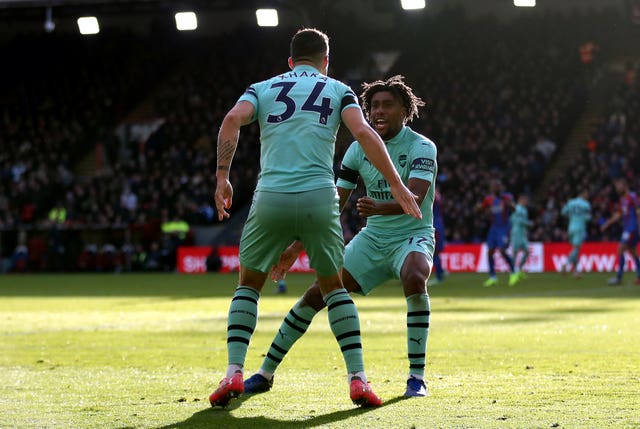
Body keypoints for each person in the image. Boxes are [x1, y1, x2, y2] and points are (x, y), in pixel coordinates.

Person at [210, 29, 421, 409]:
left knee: (249, 285)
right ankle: (358, 379)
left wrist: (222, 176)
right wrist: (398, 185)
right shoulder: (338, 89)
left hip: (271, 196)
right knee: (334, 288)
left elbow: (230, 120)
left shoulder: (261, 88)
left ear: (290, 61)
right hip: (319, 197)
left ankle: (233, 372)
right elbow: (364, 133)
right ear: (326, 61)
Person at [242, 75, 435, 398]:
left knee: (415, 277)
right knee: (318, 294)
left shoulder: (422, 146)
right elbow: (334, 204)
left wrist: (379, 207)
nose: (379, 112)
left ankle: (416, 379)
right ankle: (265, 373)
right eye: (373, 106)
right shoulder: (357, 151)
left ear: (405, 110)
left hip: (412, 235)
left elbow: (414, 200)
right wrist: (295, 248)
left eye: (388, 105)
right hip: (372, 240)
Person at [600, 178, 640, 286]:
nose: (617, 188)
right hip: (627, 229)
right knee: (633, 252)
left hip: (632, 229)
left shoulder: (632, 196)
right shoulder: (623, 200)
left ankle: (619, 277)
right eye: (616, 186)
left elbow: (638, 211)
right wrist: (607, 224)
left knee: (620, 250)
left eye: (619, 186)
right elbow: (619, 214)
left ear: (624, 185)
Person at [478, 180, 518, 287]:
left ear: (501, 187)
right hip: (494, 228)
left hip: (504, 228)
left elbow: (514, 208)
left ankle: (514, 272)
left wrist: (509, 204)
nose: (495, 188)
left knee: (502, 250)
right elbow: (481, 210)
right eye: (493, 186)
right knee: (490, 251)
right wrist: (480, 209)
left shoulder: (507, 197)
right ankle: (493, 277)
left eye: (497, 186)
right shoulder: (488, 199)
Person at [560, 190, 591, 277]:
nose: (588, 196)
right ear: (583, 194)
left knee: (575, 249)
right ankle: (566, 264)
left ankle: (576, 271)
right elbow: (587, 218)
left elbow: (563, 212)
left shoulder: (570, 202)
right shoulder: (586, 204)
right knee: (576, 249)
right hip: (580, 228)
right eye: (587, 194)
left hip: (571, 227)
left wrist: (572, 216)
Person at [509, 194, 530, 281]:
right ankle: (513, 273)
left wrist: (525, 230)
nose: (526, 202)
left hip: (522, 234)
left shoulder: (524, 210)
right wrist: (528, 223)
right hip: (516, 233)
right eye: (525, 200)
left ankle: (519, 270)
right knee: (515, 253)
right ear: (521, 200)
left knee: (527, 252)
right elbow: (513, 219)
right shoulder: (516, 208)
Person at [430, 187, 446, 285]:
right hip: (438, 224)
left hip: (434, 225)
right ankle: (441, 271)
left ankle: (439, 277)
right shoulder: (437, 195)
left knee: (434, 252)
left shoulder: (433, 194)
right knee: (435, 252)